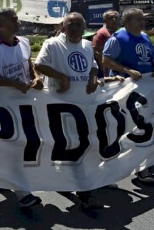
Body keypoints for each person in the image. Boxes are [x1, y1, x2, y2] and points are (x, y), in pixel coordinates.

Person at [34, 13, 104, 210]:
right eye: (70, 25)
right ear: (63, 27)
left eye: (79, 25)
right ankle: (80, 189)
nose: (75, 29)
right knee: (68, 147)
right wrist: (62, 77)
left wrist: (92, 79)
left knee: (83, 145)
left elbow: (92, 67)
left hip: (84, 106)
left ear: (85, 27)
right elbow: (38, 65)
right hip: (59, 106)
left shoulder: (87, 45)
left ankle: (83, 190)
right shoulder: (52, 44)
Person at [0, 8, 43, 209]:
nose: (18, 22)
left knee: (26, 142)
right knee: (13, 144)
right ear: (2, 24)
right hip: (0, 105)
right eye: (14, 20)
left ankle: (7, 179)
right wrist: (13, 84)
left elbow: (29, 67)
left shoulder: (23, 42)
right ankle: (22, 191)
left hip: (23, 103)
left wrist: (36, 78)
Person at [102, 7, 154, 184]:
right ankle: (115, 165)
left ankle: (142, 165)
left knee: (144, 126)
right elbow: (106, 60)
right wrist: (127, 70)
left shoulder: (144, 37)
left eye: (142, 19)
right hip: (125, 93)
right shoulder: (118, 38)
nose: (142, 23)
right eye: (138, 20)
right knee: (125, 128)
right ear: (127, 22)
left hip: (145, 92)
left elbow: (150, 58)